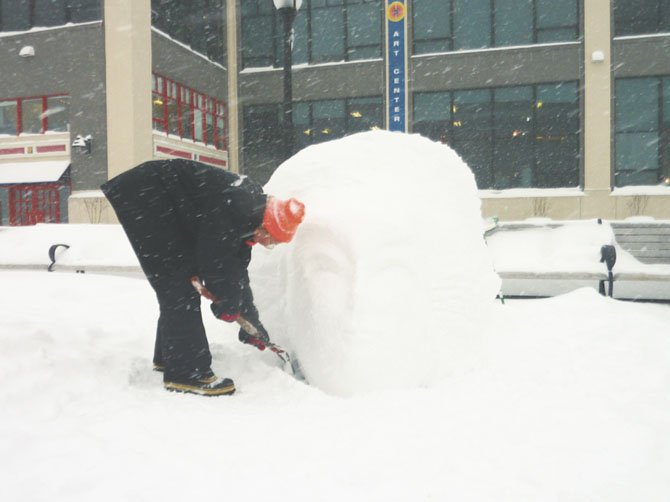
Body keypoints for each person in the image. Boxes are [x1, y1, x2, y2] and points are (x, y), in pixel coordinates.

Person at [101, 159, 305, 396]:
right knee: (177, 284)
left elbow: (237, 269)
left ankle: (171, 356)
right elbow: (216, 260)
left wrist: (251, 322)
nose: (265, 244)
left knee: (179, 283)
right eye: (271, 240)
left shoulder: (249, 213)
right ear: (266, 227)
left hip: (163, 203)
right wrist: (227, 304)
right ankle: (187, 373)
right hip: (146, 196)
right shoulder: (236, 208)